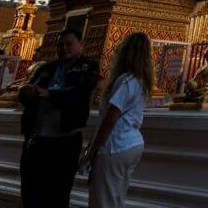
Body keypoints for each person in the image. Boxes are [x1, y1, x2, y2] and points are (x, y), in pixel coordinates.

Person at [18, 29, 99, 208]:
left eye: (69, 44)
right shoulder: (47, 68)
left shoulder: (88, 68)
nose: (64, 48)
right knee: (31, 190)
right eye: (60, 45)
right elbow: (31, 89)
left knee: (59, 192)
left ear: (81, 45)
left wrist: (50, 95)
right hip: (38, 137)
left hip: (65, 138)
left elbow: (81, 93)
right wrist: (28, 92)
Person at [82, 32, 152, 208]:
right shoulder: (141, 80)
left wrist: (91, 151)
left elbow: (110, 119)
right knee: (114, 197)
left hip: (115, 145)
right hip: (131, 145)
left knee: (103, 201)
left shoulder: (127, 80)